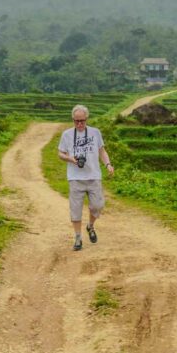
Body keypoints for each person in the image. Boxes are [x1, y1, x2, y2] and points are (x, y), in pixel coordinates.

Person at [57, 104, 114, 251]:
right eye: (76, 121)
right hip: (75, 178)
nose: (79, 124)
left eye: (82, 121)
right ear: (73, 120)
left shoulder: (95, 133)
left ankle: (90, 226)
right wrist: (71, 159)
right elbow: (60, 154)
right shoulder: (67, 134)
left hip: (94, 175)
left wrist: (108, 164)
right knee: (75, 209)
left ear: (87, 119)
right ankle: (77, 238)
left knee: (98, 206)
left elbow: (102, 151)